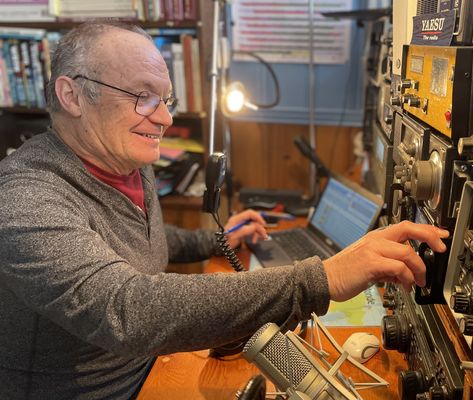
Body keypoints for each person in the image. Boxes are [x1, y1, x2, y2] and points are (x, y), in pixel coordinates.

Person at [0, 21, 449, 399]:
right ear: (72, 96)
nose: (165, 119)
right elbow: (126, 309)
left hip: (149, 365)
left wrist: (215, 241)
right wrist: (323, 278)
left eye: (166, 99)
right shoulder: (24, 198)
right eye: (143, 96)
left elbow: (142, 237)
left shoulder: (125, 162)